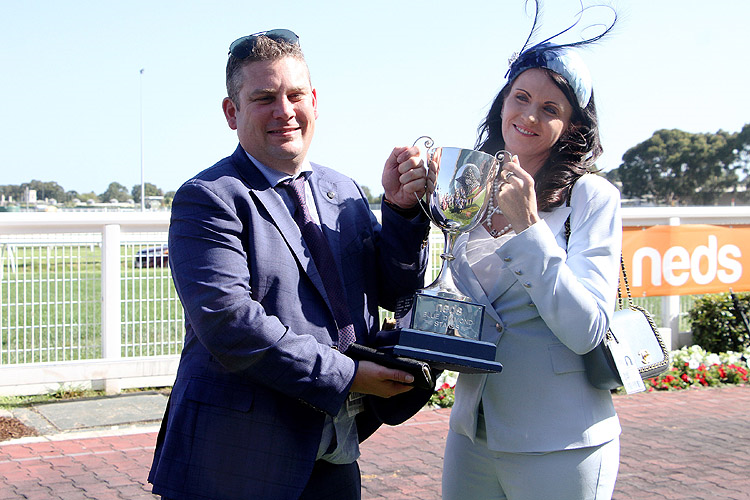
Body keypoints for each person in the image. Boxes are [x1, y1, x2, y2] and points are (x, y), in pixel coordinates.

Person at [148, 29, 432, 500]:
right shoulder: (209, 198)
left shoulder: (343, 190)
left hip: (334, 451)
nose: (284, 111)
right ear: (231, 112)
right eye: (263, 98)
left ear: (314, 101)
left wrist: (401, 213)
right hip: (233, 464)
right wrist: (347, 376)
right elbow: (230, 323)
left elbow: (391, 291)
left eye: (295, 94)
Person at [440, 7, 623, 500]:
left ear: (571, 126)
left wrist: (528, 226)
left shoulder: (592, 197)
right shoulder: (468, 189)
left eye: (550, 108)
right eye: (520, 98)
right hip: (472, 435)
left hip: (562, 444)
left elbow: (586, 330)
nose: (528, 116)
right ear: (502, 103)